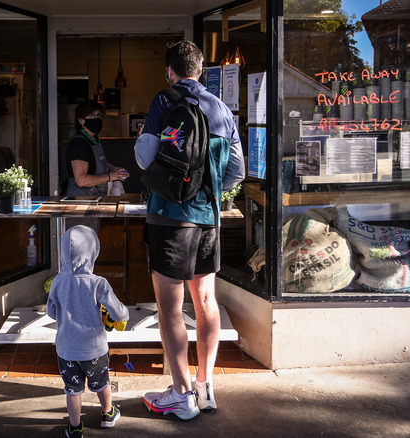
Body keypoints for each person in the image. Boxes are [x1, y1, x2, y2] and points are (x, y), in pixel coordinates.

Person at [134, 40, 245, 420]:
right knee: (206, 303)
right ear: (200, 70)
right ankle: (204, 386)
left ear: (170, 71)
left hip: (169, 218)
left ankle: (181, 395)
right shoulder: (221, 109)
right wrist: (208, 187)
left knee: (170, 309)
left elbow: (145, 157)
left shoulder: (164, 103)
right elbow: (237, 172)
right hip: (208, 220)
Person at [47, 225, 130, 437]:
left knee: (72, 390)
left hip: (66, 349)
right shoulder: (98, 283)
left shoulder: (57, 281)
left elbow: (51, 312)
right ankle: (108, 414)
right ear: (93, 252)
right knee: (102, 383)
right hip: (95, 350)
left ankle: (75, 428)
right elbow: (119, 314)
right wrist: (123, 313)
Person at [65, 100, 129, 197]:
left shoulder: (94, 140)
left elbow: (96, 163)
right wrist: (110, 176)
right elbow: (81, 180)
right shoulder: (79, 144)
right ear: (81, 120)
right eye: (92, 116)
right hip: (80, 200)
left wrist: (116, 169)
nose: (97, 119)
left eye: (99, 115)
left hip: (95, 198)